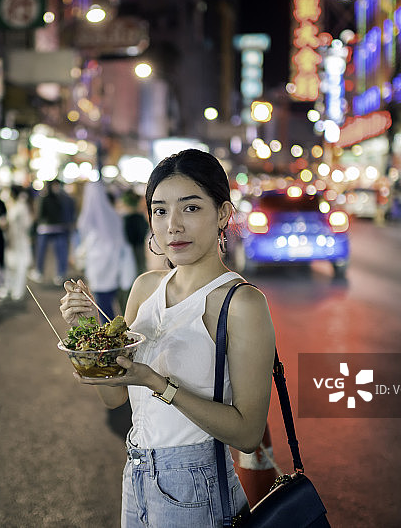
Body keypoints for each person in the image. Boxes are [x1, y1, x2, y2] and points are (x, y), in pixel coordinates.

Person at [59, 149, 276, 527]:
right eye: (160, 210)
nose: (172, 225)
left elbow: (247, 433)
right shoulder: (145, 288)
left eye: (190, 208)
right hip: (137, 474)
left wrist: (156, 382)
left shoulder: (241, 303)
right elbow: (113, 397)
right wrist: (89, 331)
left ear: (223, 214)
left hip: (198, 486)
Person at [75, 181, 136, 320]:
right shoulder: (114, 216)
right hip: (113, 268)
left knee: (104, 307)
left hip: (100, 270)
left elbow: (85, 241)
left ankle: (112, 336)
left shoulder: (90, 219)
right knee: (111, 304)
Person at [31, 179, 73, 285]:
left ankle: (43, 272)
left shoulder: (44, 197)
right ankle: (58, 274)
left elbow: (39, 214)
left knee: (46, 251)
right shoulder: (64, 197)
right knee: (58, 251)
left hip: (47, 228)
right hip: (57, 228)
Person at [3, 185, 33, 301]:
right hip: (11, 239)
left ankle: (18, 290)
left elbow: (27, 224)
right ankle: (10, 287)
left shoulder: (21, 206)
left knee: (20, 266)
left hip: (20, 239)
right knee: (11, 264)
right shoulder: (13, 205)